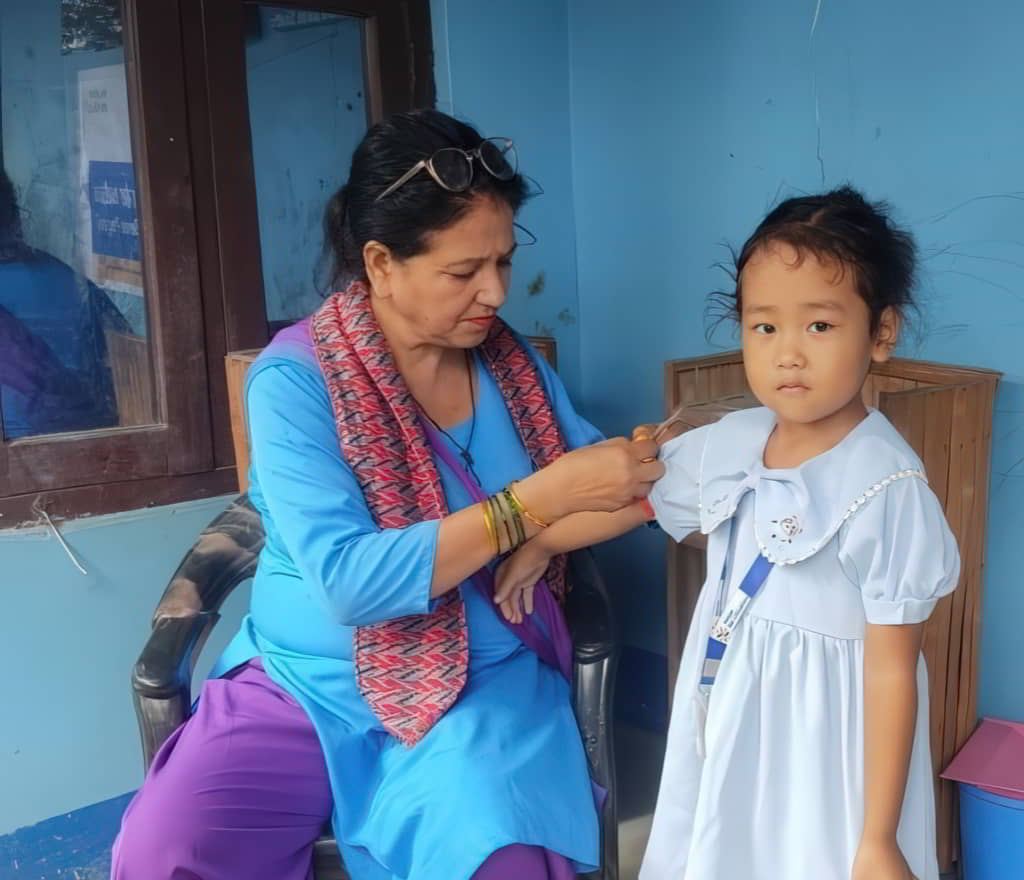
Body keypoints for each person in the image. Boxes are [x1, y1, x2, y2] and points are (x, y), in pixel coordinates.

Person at [110, 109, 663, 880]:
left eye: (503, 262)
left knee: (499, 856)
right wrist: (530, 506)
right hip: (306, 684)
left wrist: (542, 537)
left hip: (482, 682)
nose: (496, 292)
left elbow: (624, 485)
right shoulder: (296, 381)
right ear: (381, 263)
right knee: (169, 851)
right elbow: (351, 582)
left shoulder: (512, 370)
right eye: (464, 271)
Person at [494, 186, 961, 880]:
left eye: (820, 327)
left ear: (881, 333)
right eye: (764, 327)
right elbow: (637, 501)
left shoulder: (885, 486)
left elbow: (893, 670)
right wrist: (541, 544)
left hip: (827, 749)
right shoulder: (732, 443)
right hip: (733, 715)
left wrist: (878, 838)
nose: (788, 355)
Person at [0, 167, 130, 438]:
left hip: (30, 454)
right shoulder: (62, 276)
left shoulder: (56, 277)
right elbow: (126, 354)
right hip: (98, 438)